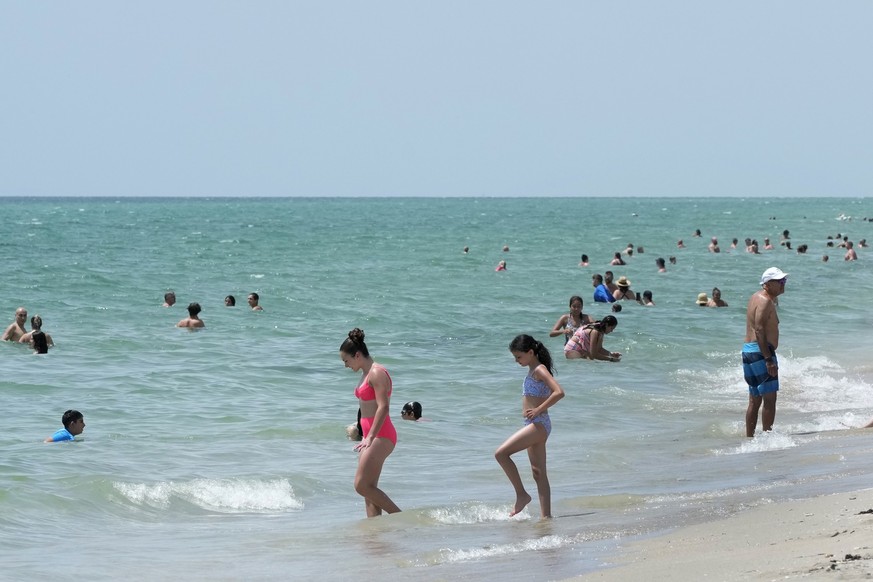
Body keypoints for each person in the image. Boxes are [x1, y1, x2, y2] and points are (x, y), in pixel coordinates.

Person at [496, 335, 564, 518]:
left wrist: (538, 409)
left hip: (538, 424)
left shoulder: (539, 370)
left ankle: (521, 495)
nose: (516, 361)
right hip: (534, 424)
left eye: (519, 357)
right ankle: (546, 517)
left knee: (501, 454)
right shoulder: (533, 369)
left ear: (530, 352)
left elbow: (559, 392)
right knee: (538, 472)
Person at [340, 328, 400, 517]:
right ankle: (376, 534)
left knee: (361, 485)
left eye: (346, 361)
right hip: (369, 435)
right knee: (369, 490)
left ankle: (399, 517)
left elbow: (383, 407)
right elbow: (366, 408)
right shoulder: (365, 373)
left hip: (381, 435)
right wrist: (361, 431)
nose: (346, 366)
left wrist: (371, 436)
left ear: (357, 355)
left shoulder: (377, 373)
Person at [743, 267, 788, 437]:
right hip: (761, 352)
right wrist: (768, 359)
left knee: (754, 400)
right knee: (769, 400)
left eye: (784, 281)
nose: (783, 285)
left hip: (749, 351)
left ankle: (750, 439)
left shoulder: (756, 297)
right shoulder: (765, 300)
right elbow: (760, 329)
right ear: (767, 284)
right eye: (780, 282)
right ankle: (767, 439)